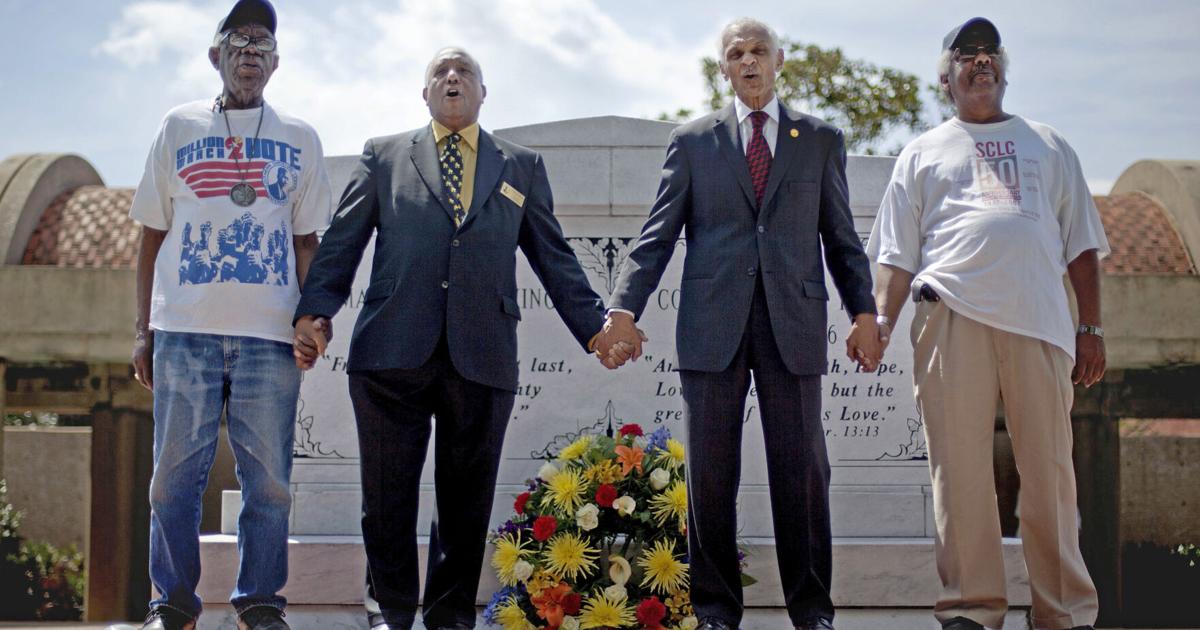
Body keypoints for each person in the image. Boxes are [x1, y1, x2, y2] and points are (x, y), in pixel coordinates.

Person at [291, 47, 633, 630]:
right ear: (424, 94)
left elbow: (553, 255)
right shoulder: (384, 156)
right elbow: (343, 243)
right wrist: (315, 311)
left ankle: (450, 617)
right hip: (390, 352)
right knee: (387, 494)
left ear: (482, 92)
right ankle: (391, 611)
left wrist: (596, 329)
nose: (453, 79)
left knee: (466, 499)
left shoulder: (518, 165)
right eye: (440, 74)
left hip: (482, 352)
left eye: (465, 72)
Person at [602, 18, 880, 630]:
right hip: (712, 326)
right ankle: (715, 612)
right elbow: (657, 236)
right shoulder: (694, 140)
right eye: (736, 53)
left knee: (802, 472)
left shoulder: (820, 138)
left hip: (794, 323)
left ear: (780, 60)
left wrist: (864, 312)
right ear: (723, 68)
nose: (749, 62)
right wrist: (623, 308)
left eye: (759, 51)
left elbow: (841, 238)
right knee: (709, 474)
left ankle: (812, 612)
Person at [867, 17, 1106, 630]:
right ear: (946, 77)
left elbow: (1081, 245)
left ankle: (1064, 613)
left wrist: (1092, 329)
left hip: (1039, 322)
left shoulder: (1049, 143)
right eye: (967, 55)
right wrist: (881, 321)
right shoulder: (921, 151)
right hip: (950, 317)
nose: (981, 62)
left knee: (1050, 473)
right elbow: (895, 252)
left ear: (1003, 70)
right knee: (960, 471)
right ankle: (971, 610)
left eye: (990, 53)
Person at [126, 0, 332, 628]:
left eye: (263, 41)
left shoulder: (300, 138)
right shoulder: (177, 126)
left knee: (269, 484)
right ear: (215, 54)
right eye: (239, 38)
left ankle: (261, 601)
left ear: (275, 61)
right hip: (183, 332)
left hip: (269, 337)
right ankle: (173, 603)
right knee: (171, 481)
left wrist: (314, 319)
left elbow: (307, 244)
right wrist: (143, 331)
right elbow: (151, 235)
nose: (251, 50)